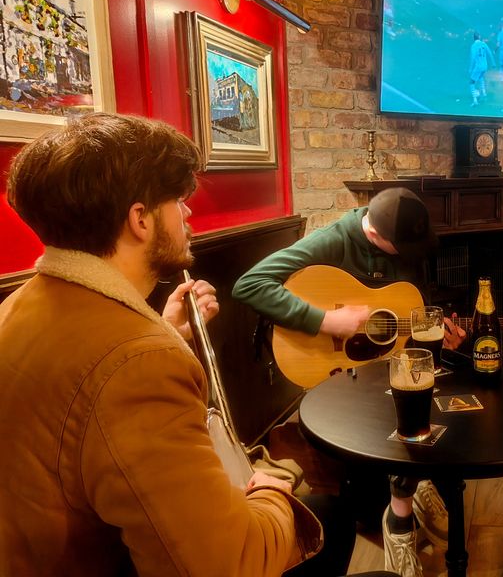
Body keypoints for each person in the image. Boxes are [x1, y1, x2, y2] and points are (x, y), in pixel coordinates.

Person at [0, 113, 325, 577]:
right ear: (140, 220)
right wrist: (273, 487)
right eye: (176, 200)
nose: (187, 214)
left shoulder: (16, 306)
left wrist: (165, 330)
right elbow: (228, 565)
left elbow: (84, 404)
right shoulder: (138, 361)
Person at [233, 187, 466, 577]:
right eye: (401, 246)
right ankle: (408, 494)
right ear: (373, 234)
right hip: (341, 369)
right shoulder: (333, 241)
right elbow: (249, 285)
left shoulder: (407, 245)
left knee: (430, 390)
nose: (410, 255)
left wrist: (438, 331)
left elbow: (409, 311)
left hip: (389, 362)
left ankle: (407, 497)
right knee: (381, 411)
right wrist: (326, 321)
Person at [468, 31, 495, 107]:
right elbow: (489, 53)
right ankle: (484, 93)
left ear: (473, 38)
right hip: (485, 66)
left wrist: (470, 68)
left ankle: (475, 100)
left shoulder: (473, 46)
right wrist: (493, 63)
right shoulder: (484, 44)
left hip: (478, 67)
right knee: (481, 77)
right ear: (479, 37)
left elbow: (473, 57)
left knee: (471, 82)